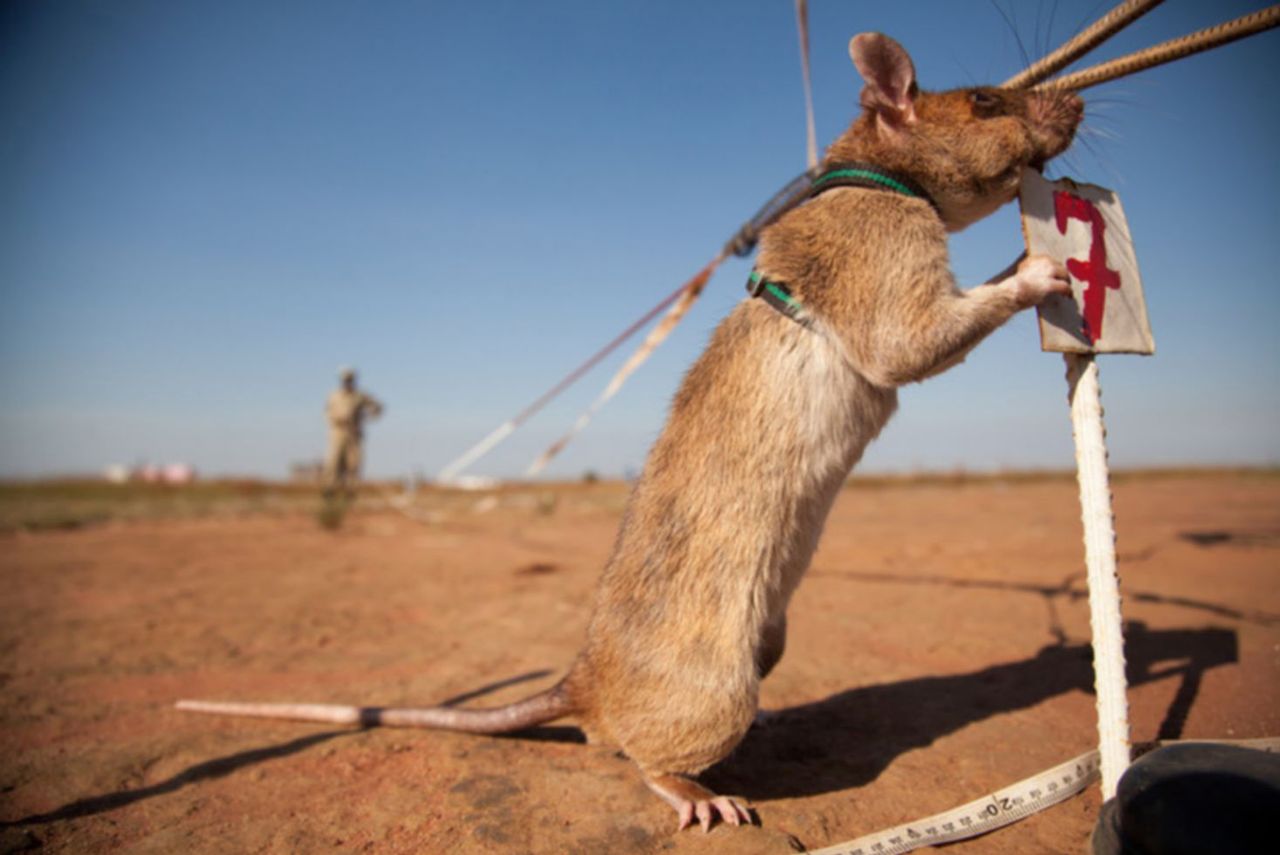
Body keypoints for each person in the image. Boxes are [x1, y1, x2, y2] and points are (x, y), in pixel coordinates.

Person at [323, 367, 383, 498]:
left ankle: (351, 490)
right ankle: (330, 488)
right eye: (345, 380)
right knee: (334, 461)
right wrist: (334, 420)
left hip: (354, 433)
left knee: (353, 462)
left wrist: (368, 416)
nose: (347, 382)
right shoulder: (334, 395)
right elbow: (327, 411)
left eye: (350, 380)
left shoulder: (359, 395)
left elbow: (377, 407)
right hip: (337, 432)